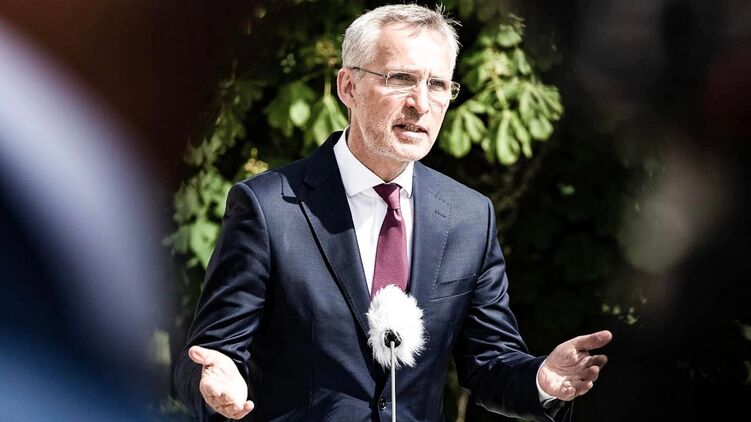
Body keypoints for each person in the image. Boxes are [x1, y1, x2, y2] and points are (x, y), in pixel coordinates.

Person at [173, 4, 612, 421]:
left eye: (437, 85)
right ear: (348, 87)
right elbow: (206, 358)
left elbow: (489, 362)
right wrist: (215, 384)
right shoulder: (269, 208)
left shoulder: (469, 217)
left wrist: (541, 380)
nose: (421, 103)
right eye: (401, 78)